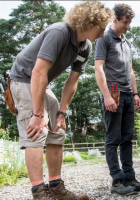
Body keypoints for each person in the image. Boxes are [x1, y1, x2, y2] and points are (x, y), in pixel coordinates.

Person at [9, 1, 113, 199]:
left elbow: (72, 81)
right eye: (101, 28)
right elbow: (38, 72)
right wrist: (38, 114)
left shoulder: (85, 47)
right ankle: (39, 192)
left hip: (41, 82)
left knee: (58, 129)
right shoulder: (59, 32)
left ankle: (56, 188)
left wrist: (62, 113)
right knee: (36, 130)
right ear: (88, 22)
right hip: (24, 79)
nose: (102, 34)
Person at [94, 3, 140, 196]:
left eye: (130, 22)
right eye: (125, 22)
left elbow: (130, 70)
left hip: (127, 93)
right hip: (114, 92)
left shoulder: (126, 42)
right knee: (113, 138)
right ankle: (117, 181)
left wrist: (135, 93)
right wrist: (107, 95)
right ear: (114, 19)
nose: (128, 26)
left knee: (127, 137)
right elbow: (98, 68)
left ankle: (129, 176)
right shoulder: (104, 39)